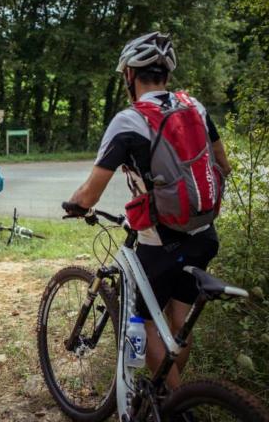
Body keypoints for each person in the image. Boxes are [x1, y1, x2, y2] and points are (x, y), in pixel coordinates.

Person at [65, 32, 231, 390]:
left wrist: (76, 204)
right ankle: (172, 395)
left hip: (160, 243)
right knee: (179, 320)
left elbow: (91, 193)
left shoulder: (129, 121)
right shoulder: (196, 107)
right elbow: (223, 164)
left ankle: (173, 403)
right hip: (204, 234)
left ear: (129, 77)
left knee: (149, 325)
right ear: (166, 77)